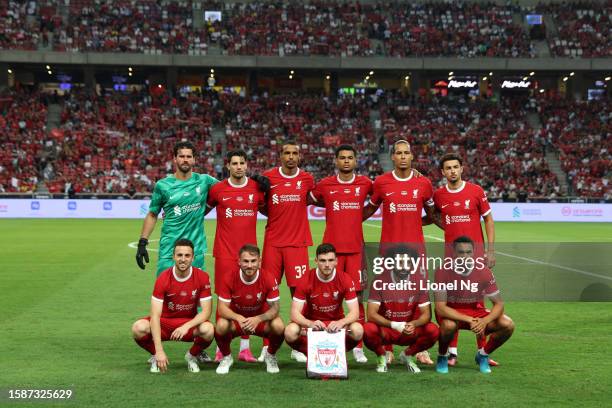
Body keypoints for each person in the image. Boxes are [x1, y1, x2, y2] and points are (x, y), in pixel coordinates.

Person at [363, 139, 436, 365]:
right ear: (392, 157)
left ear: (412, 156)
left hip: (416, 251)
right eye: (399, 153)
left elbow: (432, 214)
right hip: (389, 251)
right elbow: (369, 209)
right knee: (389, 294)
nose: (403, 156)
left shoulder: (424, 184)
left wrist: (415, 221)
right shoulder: (381, 183)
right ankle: (387, 346)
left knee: (418, 295)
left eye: (406, 153)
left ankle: (420, 348)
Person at [309, 144, 373, 364]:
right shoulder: (325, 184)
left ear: (356, 161)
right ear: (335, 161)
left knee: (357, 297)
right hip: (331, 252)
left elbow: (380, 196)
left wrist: (359, 216)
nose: (346, 161)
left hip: (355, 250)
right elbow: (307, 198)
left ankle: (357, 346)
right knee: (324, 296)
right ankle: (318, 340)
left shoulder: (365, 183)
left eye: (350, 158)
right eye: (342, 158)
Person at [432, 152, 497, 367]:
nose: (452, 171)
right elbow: (434, 215)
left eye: (455, 167)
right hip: (452, 258)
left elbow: (488, 219)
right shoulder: (439, 195)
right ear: (443, 172)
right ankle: (452, 352)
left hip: (475, 257)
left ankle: (482, 351)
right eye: (448, 168)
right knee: (453, 302)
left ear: (462, 169)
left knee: (478, 303)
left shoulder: (476, 191)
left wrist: (491, 250)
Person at [206, 150, 266, 363]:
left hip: (249, 255)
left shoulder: (256, 188)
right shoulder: (217, 190)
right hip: (224, 253)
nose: (239, 166)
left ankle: (244, 348)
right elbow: (201, 210)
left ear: (246, 165)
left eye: (242, 163)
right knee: (223, 301)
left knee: (247, 301)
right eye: (234, 163)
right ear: (228, 166)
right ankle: (221, 349)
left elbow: (270, 210)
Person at [261, 141, 315, 363]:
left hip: (297, 244)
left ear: (299, 156)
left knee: (299, 296)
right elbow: (260, 204)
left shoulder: (307, 179)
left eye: (295, 153)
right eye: (287, 153)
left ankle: (298, 344)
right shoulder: (268, 177)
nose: (291, 157)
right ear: (280, 156)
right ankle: (266, 346)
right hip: (273, 243)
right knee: (266, 294)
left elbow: (316, 198)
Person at [131, 239, 215, 373]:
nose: (183, 259)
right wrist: (159, 351)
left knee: (208, 329)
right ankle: (155, 356)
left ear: (193, 258)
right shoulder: (163, 278)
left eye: (187, 255)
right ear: (173, 256)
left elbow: (206, 312)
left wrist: (186, 326)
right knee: (138, 328)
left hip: (187, 324)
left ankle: (192, 356)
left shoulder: (203, 277)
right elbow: (155, 316)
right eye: (179, 255)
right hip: (164, 323)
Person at [434, 236, 515, 374]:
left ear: (473, 252)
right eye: (461, 252)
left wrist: (484, 321)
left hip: (476, 313)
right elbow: (440, 308)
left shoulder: (484, 272)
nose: (465, 256)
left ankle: (483, 355)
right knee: (448, 326)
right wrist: (470, 320)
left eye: (468, 252)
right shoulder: (442, 272)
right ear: (453, 253)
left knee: (508, 324)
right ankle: (442, 356)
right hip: (452, 313)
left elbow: (499, 304)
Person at [135, 141, 218, 276]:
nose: (185, 159)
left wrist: (254, 181)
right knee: (165, 294)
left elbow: (228, 189)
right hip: (169, 250)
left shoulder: (205, 181)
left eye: (189, 156)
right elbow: (152, 214)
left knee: (196, 295)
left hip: (195, 251)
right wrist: (142, 243)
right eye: (181, 156)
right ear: (175, 159)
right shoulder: (163, 185)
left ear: (194, 159)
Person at [363, 246, 439, 373]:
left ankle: (408, 355)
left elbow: (427, 315)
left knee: (433, 330)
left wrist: (414, 324)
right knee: (368, 329)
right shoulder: (379, 281)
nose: (404, 266)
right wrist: (394, 324)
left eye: (408, 262)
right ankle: (382, 356)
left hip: (409, 329)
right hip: (388, 330)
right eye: (400, 262)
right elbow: (371, 315)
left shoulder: (420, 281)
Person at [214, 245, 285, 374]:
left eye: (253, 261)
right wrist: (238, 318)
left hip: (259, 322)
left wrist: (258, 319)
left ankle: (270, 355)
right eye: (245, 261)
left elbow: (275, 308)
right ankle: (226, 357)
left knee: (279, 325)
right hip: (238, 322)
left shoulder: (268, 278)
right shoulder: (228, 277)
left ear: (260, 261)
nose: (249, 265)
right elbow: (221, 309)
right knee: (221, 325)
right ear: (239, 261)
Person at [284, 243, 363, 358]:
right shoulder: (305, 279)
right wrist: (309, 323)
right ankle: (310, 353)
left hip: (335, 322)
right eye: (322, 260)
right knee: (290, 332)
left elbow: (355, 312)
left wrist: (341, 323)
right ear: (316, 261)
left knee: (358, 330)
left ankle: (337, 352)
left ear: (336, 261)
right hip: (312, 323)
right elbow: (294, 314)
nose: (327, 265)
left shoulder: (345, 279)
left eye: (331, 260)